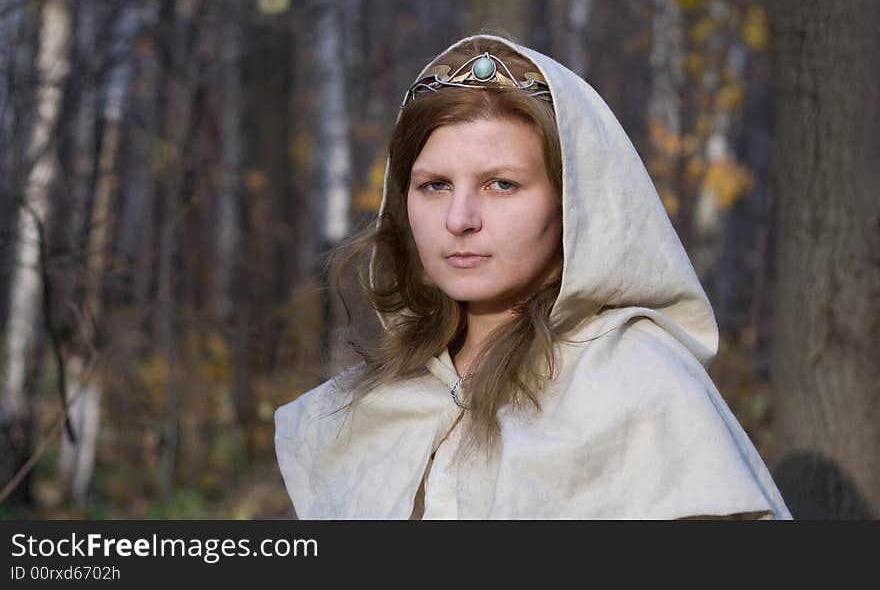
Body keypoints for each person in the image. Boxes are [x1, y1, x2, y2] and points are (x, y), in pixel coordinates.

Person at [274, 33, 793, 519]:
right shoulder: (377, 398)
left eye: (501, 184)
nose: (459, 219)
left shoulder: (641, 384)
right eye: (434, 185)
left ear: (573, 201)